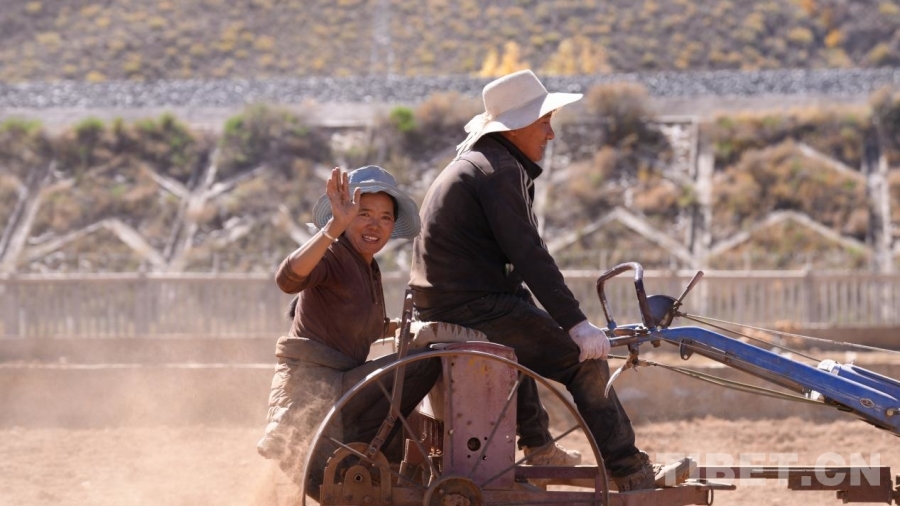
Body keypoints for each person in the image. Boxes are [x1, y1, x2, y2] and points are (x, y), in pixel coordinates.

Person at [409, 69, 694, 491]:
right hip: (470, 305)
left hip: (451, 299)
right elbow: (530, 254)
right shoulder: (499, 171)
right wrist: (576, 325)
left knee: (525, 323)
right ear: (517, 126)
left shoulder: (482, 163)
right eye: (544, 122)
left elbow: (517, 261)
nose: (550, 134)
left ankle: (539, 445)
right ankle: (630, 470)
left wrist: (558, 318)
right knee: (586, 363)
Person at [256, 165, 441, 501]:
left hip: (340, 391)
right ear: (343, 216)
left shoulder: (367, 267)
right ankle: (362, 459)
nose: (374, 225)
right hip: (314, 400)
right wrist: (333, 228)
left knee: (415, 374)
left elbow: (360, 325)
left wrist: (409, 327)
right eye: (362, 213)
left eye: (385, 217)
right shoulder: (332, 254)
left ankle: (381, 465)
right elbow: (287, 279)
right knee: (425, 364)